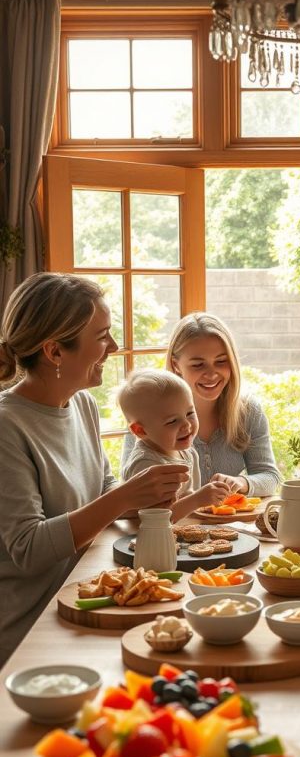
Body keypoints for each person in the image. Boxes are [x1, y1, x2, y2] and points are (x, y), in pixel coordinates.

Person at [0, 273, 189, 662]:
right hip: (32, 629)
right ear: (54, 352)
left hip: (87, 602)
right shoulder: (7, 426)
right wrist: (126, 495)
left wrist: (156, 493)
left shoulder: (81, 404)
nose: (115, 347)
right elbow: (29, 548)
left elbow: (105, 495)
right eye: (102, 337)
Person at [121, 313, 280, 497]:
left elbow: (270, 477)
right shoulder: (149, 413)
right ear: (176, 365)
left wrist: (241, 482)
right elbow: (131, 490)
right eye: (198, 365)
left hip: (232, 524)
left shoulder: (248, 411)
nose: (212, 374)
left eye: (221, 361)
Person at [118, 368, 231, 519]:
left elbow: (186, 498)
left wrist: (206, 498)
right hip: (141, 539)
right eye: (172, 421)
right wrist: (197, 499)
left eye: (190, 413)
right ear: (140, 430)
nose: (187, 425)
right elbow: (155, 520)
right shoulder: (147, 465)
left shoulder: (187, 451)